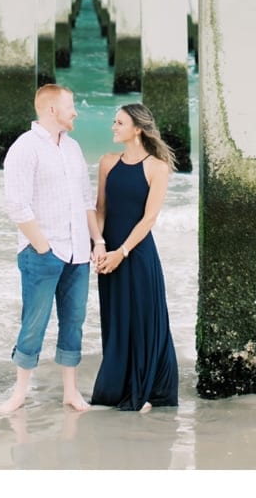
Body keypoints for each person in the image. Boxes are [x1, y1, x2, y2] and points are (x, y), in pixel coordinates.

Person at [0, 84, 101, 414]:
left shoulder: (73, 148)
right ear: (52, 110)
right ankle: (20, 392)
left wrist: (98, 241)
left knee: (74, 321)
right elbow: (17, 205)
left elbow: (86, 201)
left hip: (79, 253)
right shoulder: (24, 148)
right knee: (34, 322)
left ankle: (71, 391)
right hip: (42, 253)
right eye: (71, 106)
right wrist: (43, 246)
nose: (76, 112)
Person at [89, 103, 179, 412]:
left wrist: (121, 252)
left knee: (143, 321)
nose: (113, 127)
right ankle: (116, 389)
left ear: (137, 129)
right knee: (116, 322)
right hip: (109, 254)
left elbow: (149, 219)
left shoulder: (157, 167)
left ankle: (150, 391)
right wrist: (99, 245)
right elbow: (100, 209)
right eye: (114, 122)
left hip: (137, 255)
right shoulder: (107, 163)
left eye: (119, 122)